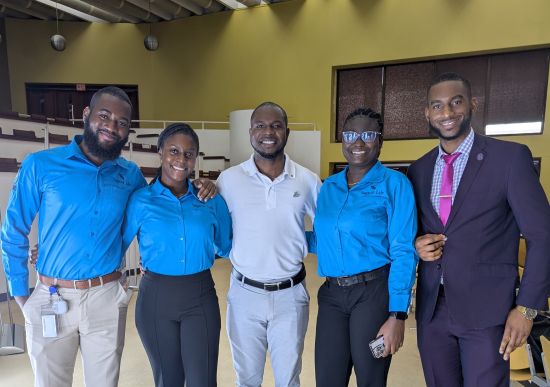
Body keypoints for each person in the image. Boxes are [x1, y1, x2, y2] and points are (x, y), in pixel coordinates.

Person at [0, 87, 216, 387]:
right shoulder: (42, 165)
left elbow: (158, 210)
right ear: (87, 116)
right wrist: (22, 296)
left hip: (105, 296)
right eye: (105, 116)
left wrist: (202, 186)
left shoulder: (129, 176)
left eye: (122, 122)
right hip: (51, 295)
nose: (112, 127)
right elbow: (13, 231)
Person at [407, 72, 550, 387]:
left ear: (472, 104)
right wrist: (417, 244)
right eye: (438, 106)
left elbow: (543, 237)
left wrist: (526, 309)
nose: (447, 113)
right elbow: (413, 232)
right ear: (427, 113)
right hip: (433, 310)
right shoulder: (418, 170)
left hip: (488, 312)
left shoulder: (510, 159)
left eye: (456, 102)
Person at [216, 101, 322, 387]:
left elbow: (328, 227)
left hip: (290, 295)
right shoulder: (229, 180)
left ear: (287, 133)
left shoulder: (307, 180)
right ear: (250, 132)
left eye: (276, 125)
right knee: (247, 380)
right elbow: (214, 229)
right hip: (244, 294)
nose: (268, 132)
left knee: (288, 380)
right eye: (260, 125)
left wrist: (303, 241)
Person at [310, 108, 418, 387]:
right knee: (327, 379)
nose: (358, 142)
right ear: (342, 140)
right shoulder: (329, 187)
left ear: (380, 141)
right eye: (350, 134)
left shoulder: (395, 184)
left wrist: (397, 314)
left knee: (370, 379)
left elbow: (403, 250)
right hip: (332, 295)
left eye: (368, 134)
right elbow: (323, 241)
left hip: (373, 295)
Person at [121, 123, 232, 387]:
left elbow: (225, 245)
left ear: (195, 159)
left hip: (200, 296)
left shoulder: (211, 199)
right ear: (161, 153)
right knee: (168, 379)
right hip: (155, 300)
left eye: (189, 153)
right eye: (174, 151)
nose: (181, 159)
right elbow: (114, 245)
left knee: (202, 380)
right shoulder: (141, 200)